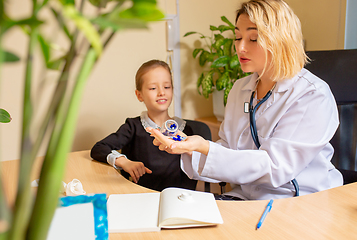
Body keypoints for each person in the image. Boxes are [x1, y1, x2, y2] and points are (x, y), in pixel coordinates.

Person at [147, 0, 343, 200]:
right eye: (238, 37)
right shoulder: (240, 89)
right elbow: (229, 150)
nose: (240, 48)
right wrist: (187, 147)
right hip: (245, 198)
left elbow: (275, 167)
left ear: (280, 39)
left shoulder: (311, 95)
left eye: (253, 38)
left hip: (298, 201)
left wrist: (204, 147)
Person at [90, 60, 197, 191]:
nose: (161, 92)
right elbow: (98, 148)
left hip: (177, 199)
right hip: (140, 197)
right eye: (153, 88)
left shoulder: (186, 130)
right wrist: (124, 162)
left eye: (167, 87)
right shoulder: (133, 127)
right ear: (139, 95)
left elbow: (194, 172)